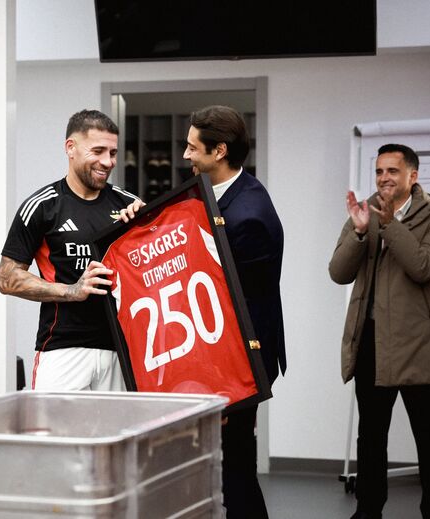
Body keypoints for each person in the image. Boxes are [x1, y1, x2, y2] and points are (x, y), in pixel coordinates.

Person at [329, 143, 430, 519]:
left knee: (428, 435)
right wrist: (361, 233)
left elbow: (423, 266)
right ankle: (368, 510)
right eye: (380, 171)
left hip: (418, 345)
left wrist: (389, 225)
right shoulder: (364, 214)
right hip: (372, 343)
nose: (384, 178)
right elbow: (338, 272)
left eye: (392, 171)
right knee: (371, 436)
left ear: (412, 176)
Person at [183, 105, 285, 518]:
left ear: (219, 150)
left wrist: (224, 388)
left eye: (192, 148)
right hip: (225, 357)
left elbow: (233, 305)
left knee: (235, 468)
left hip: (242, 361)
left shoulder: (249, 216)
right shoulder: (215, 191)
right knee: (231, 467)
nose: (185, 156)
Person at [0, 109, 144, 391]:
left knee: (118, 436)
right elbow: (7, 278)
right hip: (62, 348)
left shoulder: (129, 205)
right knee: (55, 435)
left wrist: (146, 227)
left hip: (122, 348)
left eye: (112, 153)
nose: (107, 161)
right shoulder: (42, 206)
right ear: (71, 148)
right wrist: (71, 291)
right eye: (98, 151)